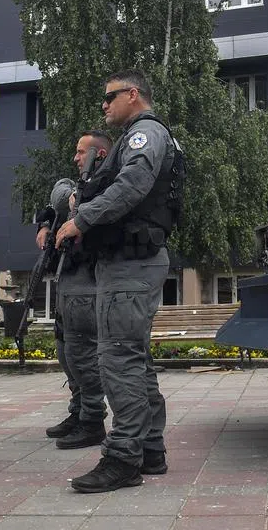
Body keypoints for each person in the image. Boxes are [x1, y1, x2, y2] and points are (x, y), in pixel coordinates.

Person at [56, 68, 185, 493]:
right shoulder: (136, 136)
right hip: (129, 262)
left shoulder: (144, 133)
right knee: (133, 359)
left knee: (118, 359)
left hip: (132, 264)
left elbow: (132, 186)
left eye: (110, 97)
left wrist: (81, 219)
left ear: (133, 94)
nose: (104, 105)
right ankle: (149, 448)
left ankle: (123, 457)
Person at [41, 130, 114, 449]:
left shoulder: (111, 186)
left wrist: (80, 205)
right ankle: (79, 411)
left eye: (80, 152)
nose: (75, 157)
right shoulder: (78, 189)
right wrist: (46, 224)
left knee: (82, 355)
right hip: (68, 283)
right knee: (66, 353)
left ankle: (92, 420)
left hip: (89, 284)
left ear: (98, 155)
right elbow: (57, 194)